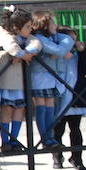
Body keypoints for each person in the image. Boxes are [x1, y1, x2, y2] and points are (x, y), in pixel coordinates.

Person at [0, 7, 39, 152]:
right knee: (7, 109)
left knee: (20, 108)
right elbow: (11, 46)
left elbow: (37, 42)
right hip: (5, 79)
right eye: (28, 27)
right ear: (16, 28)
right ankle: (5, 142)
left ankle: (15, 140)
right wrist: (23, 55)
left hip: (18, 81)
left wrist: (29, 51)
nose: (30, 30)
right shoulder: (4, 34)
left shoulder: (24, 35)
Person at [30, 10, 75, 152]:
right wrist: (57, 52)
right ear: (44, 24)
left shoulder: (55, 36)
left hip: (51, 76)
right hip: (39, 75)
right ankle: (45, 138)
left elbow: (69, 40)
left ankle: (50, 137)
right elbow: (55, 50)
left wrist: (58, 50)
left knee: (51, 106)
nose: (56, 25)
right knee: (41, 106)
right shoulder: (38, 37)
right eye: (53, 22)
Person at [51, 26, 86, 170]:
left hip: (76, 95)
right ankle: (57, 157)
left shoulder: (77, 55)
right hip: (59, 95)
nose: (73, 43)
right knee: (58, 129)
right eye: (69, 40)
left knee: (75, 128)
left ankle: (77, 158)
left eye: (74, 40)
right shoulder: (54, 54)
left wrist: (82, 51)